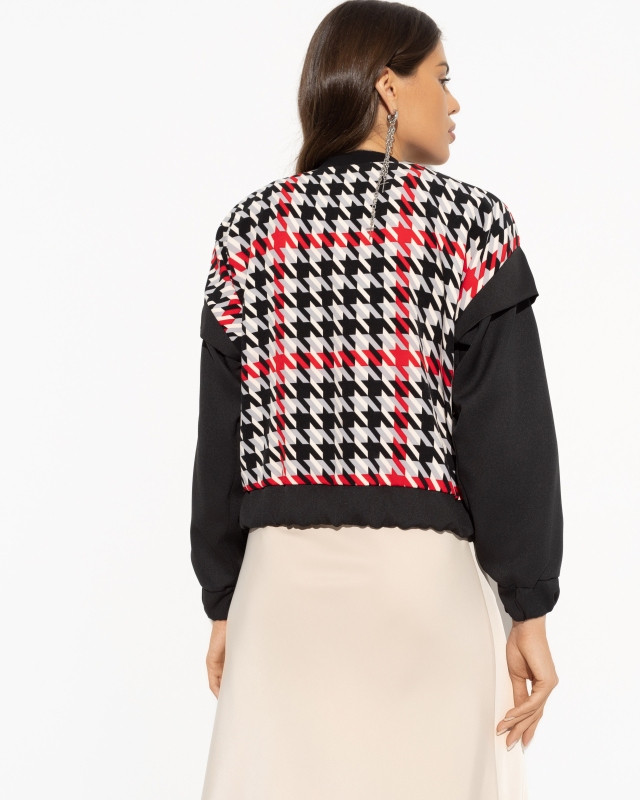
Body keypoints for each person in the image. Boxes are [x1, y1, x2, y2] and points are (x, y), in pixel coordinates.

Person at [189, 1, 563, 797]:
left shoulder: (248, 231)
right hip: (421, 587)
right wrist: (529, 605)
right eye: (441, 78)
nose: (454, 101)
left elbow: (221, 437)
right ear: (388, 87)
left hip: (280, 591)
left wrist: (224, 599)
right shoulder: (469, 224)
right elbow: (508, 434)